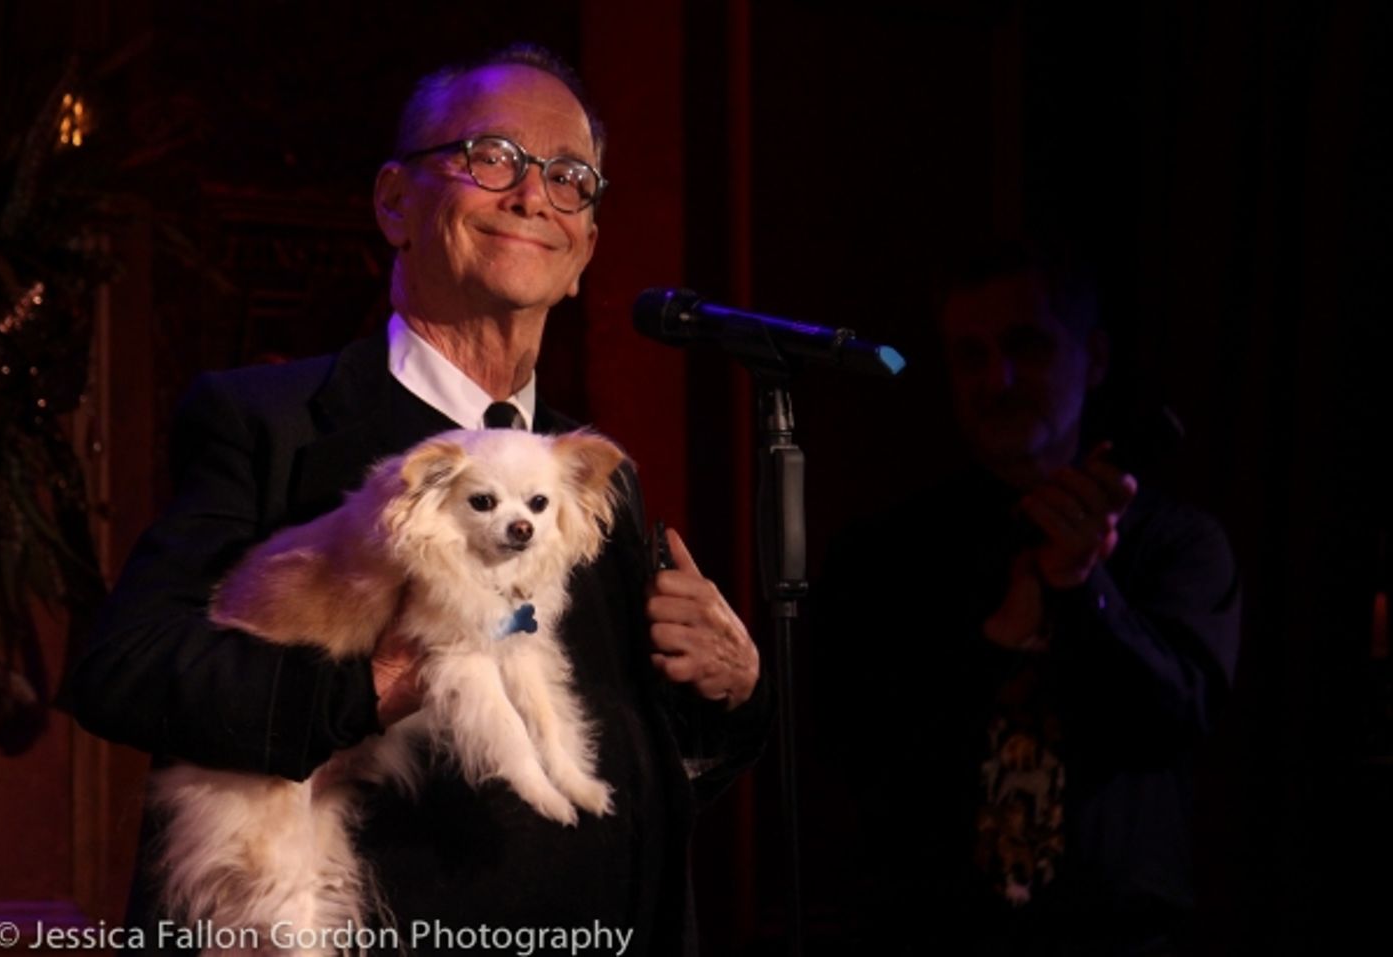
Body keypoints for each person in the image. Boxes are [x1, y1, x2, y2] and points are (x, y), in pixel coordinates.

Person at [72, 44, 768, 956]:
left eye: (570, 180)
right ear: (394, 203)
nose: (533, 196)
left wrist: (728, 691)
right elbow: (124, 668)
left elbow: (630, 772)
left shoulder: (597, 479)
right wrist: (377, 682)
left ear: (585, 250)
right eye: (493, 157)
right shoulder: (270, 423)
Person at [815, 244, 1241, 955]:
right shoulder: (888, 554)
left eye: (1026, 346)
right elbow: (865, 750)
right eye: (970, 356)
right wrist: (998, 638)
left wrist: (1081, 586)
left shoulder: (1179, 544)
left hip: (1119, 936)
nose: (997, 379)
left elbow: (1172, 719)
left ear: (1094, 356)